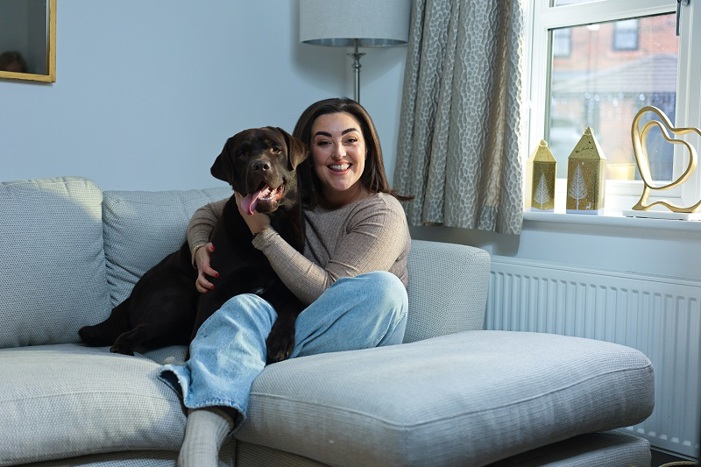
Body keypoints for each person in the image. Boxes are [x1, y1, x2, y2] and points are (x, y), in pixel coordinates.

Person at [159, 97, 413, 467]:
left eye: (350, 140)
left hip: (354, 327)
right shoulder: (291, 193)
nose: (338, 152)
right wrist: (200, 248)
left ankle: (233, 355)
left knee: (383, 289)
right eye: (323, 141)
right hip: (289, 327)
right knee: (244, 306)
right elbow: (209, 210)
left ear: (368, 147)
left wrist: (263, 234)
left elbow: (328, 293)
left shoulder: (381, 211)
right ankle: (198, 451)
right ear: (305, 153)